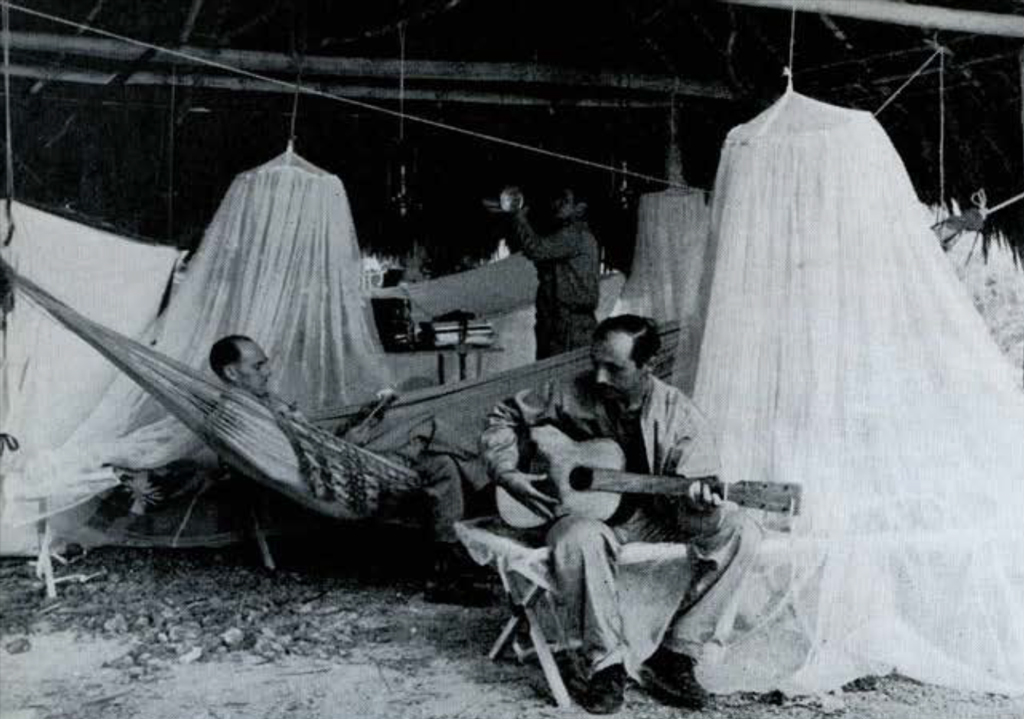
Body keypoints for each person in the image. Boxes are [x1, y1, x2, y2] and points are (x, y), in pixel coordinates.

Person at [480, 315, 762, 714]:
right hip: (587, 518)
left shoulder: (681, 418)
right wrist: (508, 473)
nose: (599, 377)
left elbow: (697, 500)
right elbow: (503, 416)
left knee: (742, 530)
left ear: (647, 367)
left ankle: (676, 655)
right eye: (595, 363)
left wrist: (698, 500)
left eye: (614, 368)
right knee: (578, 538)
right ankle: (606, 665)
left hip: (655, 518)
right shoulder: (570, 391)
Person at [209, 334, 489, 604]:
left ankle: (446, 573)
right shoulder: (243, 416)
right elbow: (302, 459)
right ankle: (490, 483)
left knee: (442, 465)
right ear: (232, 374)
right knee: (427, 423)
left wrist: (352, 427)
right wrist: (347, 442)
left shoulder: (260, 404)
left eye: (265, 363)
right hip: (343, 477)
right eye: (258, 366)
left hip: (344, 461)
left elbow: (305, 441)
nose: (268, 371)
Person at [510, 186, 601, 359]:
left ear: (580, 208)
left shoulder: (574, 235)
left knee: (558, 379)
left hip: (568, 326)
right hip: (562, 323)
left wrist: (520, 219)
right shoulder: (573, 236)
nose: (558, 204)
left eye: (566, 201)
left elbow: (535, 249)